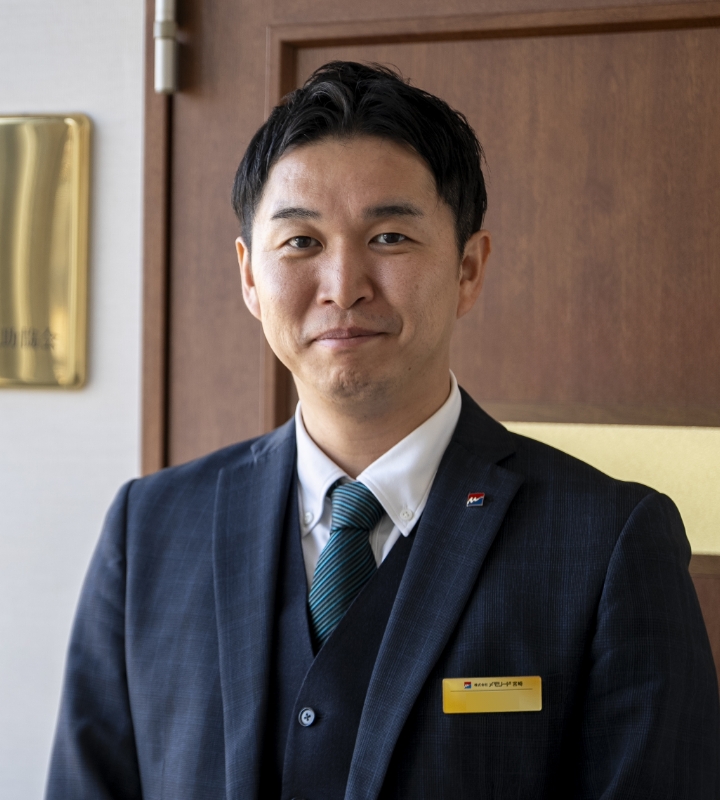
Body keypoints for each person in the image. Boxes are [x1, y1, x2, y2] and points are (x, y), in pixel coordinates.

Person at [47, 61, 719, 799]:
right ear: (249, 276)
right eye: (301, 242)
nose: (344, 286)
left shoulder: (609, 541)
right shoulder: (149, 530)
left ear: (468, 268)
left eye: (390, 237)